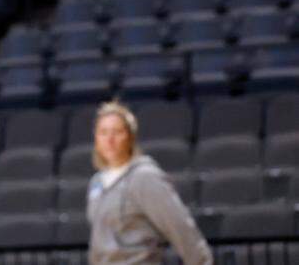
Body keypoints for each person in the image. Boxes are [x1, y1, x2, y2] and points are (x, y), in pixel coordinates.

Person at [88, 100, 212, 265]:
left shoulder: (145, 176)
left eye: (117, 132)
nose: (109, 139)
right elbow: (98, 243)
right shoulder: (96, 182)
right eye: (103, 132)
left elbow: (179, 226)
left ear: (130, 137)